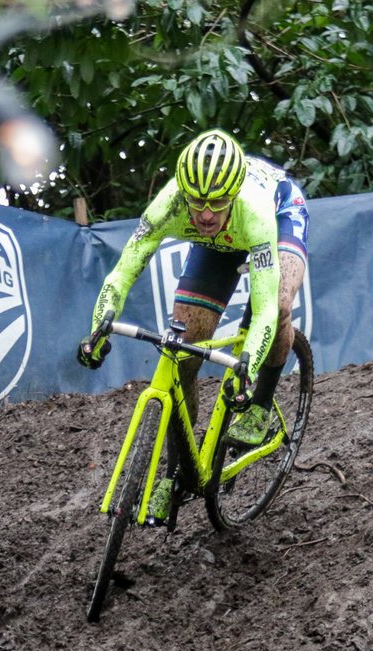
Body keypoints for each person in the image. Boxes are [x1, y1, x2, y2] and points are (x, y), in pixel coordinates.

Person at [77, 128, 309, 520]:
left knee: (281, 304)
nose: (203, 213)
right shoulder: (170, 204)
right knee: (183, 350)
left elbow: (267, 307)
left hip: (279, 215)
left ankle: (262, 405)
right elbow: (121, 274)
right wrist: (98, 328)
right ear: (182, 192)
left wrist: (247, 370)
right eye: (196, 201)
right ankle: (178, 472)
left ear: (232, 194)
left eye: (215, 202)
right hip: (217, 244)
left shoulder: (253, 210)